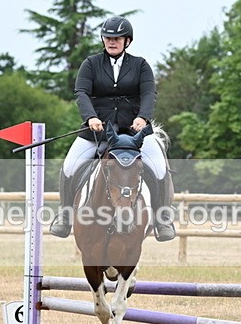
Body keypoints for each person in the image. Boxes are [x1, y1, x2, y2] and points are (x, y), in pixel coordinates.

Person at [49, 15, 176, 242]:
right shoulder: (90, 64)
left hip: (133, 133)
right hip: (98, 130)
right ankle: (65, 215)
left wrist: (143, 118)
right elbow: (82, 93)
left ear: (127, 41)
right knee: (69, 165)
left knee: (159, 167)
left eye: (117, 38)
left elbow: (149, 94)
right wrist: (90, 117)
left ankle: (162, 219)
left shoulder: (141, 65)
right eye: (108, 37)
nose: (112, 41)